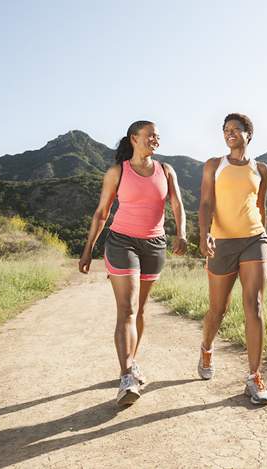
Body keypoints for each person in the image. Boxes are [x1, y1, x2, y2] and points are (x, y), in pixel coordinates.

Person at [78, 120, 187, 406]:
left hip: (154, 244)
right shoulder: (118, 172)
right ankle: (127, 375)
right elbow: (102, 212)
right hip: (121, 241)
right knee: (126, 308)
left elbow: (177, 204)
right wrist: (88, 248)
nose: (155, 140)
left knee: (139, 310)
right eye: (150, 135)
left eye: (158, 137)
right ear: (134, 138)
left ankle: (131, 361)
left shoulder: (166, 170)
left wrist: (182, 233)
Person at [197, 113, 267, 405]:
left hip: (255, 239)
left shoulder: (262, 169)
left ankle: (254, 377)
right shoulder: (214, 166)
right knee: (218, 309)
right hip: (222, 242)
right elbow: (205, 203)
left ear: (248, 135)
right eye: (225, 130)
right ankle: (206, 347)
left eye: (235, 130)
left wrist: (264, 235)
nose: (229, 133)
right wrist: (204, 235)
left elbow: (261, 206)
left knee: (254, 305)